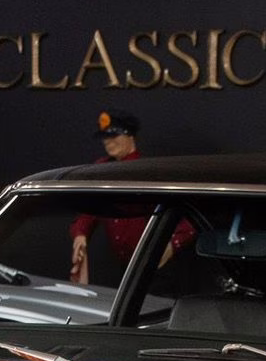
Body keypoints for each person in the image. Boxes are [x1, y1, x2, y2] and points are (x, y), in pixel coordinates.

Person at [69, 111, 191, 283]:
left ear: (129, 136)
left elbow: (186, 211)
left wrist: (172, 244)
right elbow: (91, 207)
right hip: (124, 265)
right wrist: (81, 233)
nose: (108, 142)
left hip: (154, 265)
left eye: (114, 136)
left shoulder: (146, 171)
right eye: (105, 137)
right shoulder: (102, 169)